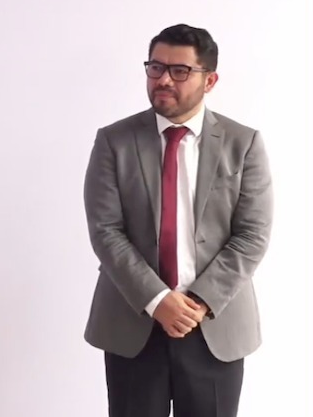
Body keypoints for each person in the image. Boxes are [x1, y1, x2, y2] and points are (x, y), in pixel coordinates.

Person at [83, 23, 273, 417]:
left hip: (214, 327)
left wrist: (198, 302)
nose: (164, 79)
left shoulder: (243, 143)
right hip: (134, 324)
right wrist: (157, 300)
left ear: (210, 80)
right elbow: (105, 231)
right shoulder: (114, 141)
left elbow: (252, 235)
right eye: (156, 67)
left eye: (180, 71)